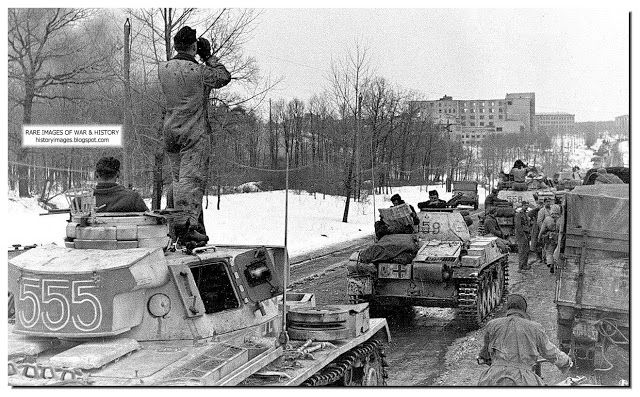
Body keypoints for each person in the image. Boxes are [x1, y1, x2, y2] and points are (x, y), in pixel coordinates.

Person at [158, 26, 231, 243]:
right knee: (192, 180)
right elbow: (223, 77)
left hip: (170, 131)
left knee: (177, 181)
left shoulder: (163, 68)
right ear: (193, 47)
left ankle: (176, 226)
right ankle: (186, 228)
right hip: (193, 133)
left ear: (174, 45)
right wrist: (208, 56)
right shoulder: (200, 72)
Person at [477, 294, 572, 386]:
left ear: (508, 308)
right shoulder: (535, 328)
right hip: (523, 378)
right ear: (524, 310)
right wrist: (566, 362)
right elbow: (550, 352)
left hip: (494, 376)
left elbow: (485, 354)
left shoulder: (492, 325)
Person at [538, 204, 561, 273]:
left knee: (549, 251)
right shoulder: (561, 219)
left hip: (550, 237)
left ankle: (550, 263)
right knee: (558, 251)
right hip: (559, 237)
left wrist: (539, 237)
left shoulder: (547, 219)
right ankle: (557, 264)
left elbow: (542, 229)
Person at [514, 201, 531, 271]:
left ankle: (525, 265)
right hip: (521, 235)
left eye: (527, 205)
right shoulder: (519, 214)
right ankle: (520, 267)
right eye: (525, 205)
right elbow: (518, 226)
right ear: (522, 206)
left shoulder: (525, 214)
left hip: (526, 234)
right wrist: (522, 235)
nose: (526, 207)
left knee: (526, 250)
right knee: (522, 250)